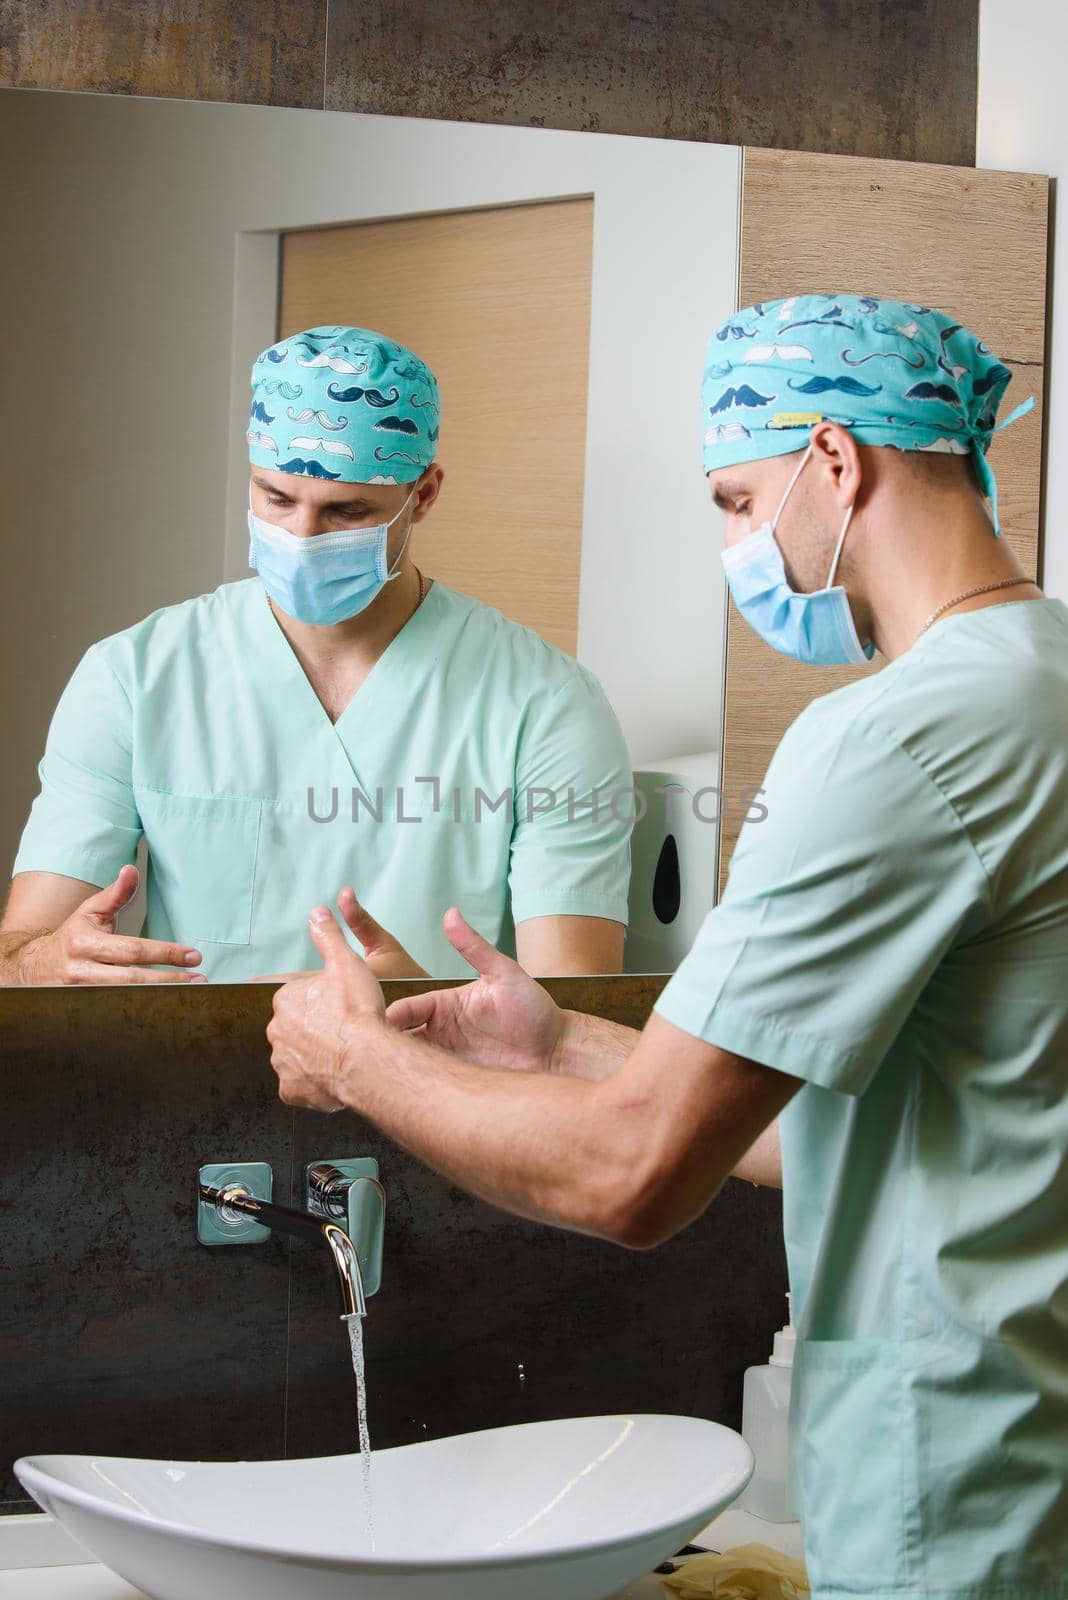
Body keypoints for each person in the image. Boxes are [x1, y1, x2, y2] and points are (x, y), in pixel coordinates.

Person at [266, 294, 1068, 1599]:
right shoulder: (1044, 687)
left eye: (736, 502)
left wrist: (353, 1058)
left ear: (835, 461)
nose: (738, 545)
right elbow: (928, 1116)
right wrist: (563, 1042)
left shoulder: (895, 739)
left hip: (955, 1489)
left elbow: (634, 1178)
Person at [0, 326, 632, 984]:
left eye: (348, 510)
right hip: (192, 1083)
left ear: (426, 494)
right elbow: (17, 958)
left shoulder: (546, 704)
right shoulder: (134, 678)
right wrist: (49, 959)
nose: (300, 537)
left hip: (438, 1081)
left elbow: (575, 1009)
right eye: (276, 498)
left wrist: (428, 1012)